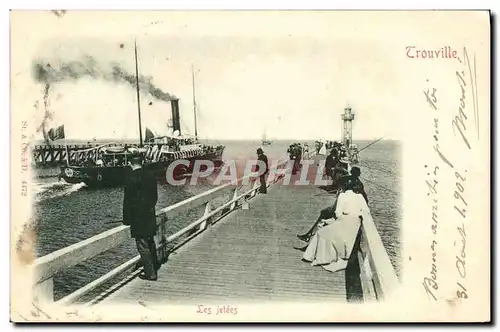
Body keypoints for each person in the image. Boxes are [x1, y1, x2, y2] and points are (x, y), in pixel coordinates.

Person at [299, 179, 369, 272]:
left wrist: (337, 219)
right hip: (355, 223)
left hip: (344, 220)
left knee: (322, 232)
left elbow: (338, 213)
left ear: (343, 187)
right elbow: (366, 211)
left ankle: (315, 257)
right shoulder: (360, 196)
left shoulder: (342, 196)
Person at [123, 151, 159, 281]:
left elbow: (127, 201)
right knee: (150, 241)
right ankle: (155, 265)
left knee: (142, 245)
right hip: (150, 214)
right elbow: (155, 197)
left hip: (138, 218)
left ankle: (150, 273)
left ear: (130, 163)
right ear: (142, 162)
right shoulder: (150, 175)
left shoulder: (130, 178)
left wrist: (126, 219)